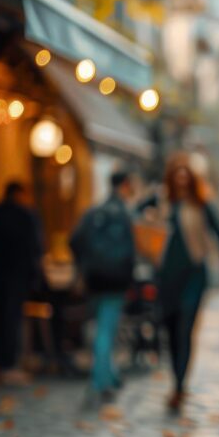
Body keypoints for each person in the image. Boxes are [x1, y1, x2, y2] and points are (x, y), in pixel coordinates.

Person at [148, 153, 219, 411]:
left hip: (194, 275)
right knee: (170, 329)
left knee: (185, 327)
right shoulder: (162, 202)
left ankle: (180, 386)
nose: (181, 179)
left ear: (191, 178)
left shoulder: (201, 204)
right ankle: (175, 379)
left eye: (185, 174)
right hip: (167, 277)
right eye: (176, 174)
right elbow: (134, 213)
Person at [69, 171, 137, 401]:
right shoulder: (126, 214)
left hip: (95, 279)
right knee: (106, 329)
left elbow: (74, 241)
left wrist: (84, 266)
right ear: (126, 185)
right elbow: (133, 251)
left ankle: (109, 374)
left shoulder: (94, 212)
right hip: (115, 281)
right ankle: (100, 380)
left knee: (99, 327)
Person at [0, 181, 44, 386]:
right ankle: (10, 365)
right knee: (12, 318)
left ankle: (2, 362)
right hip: (18, 274)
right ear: (20, 194)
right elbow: (36, 247)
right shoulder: (27, 215)